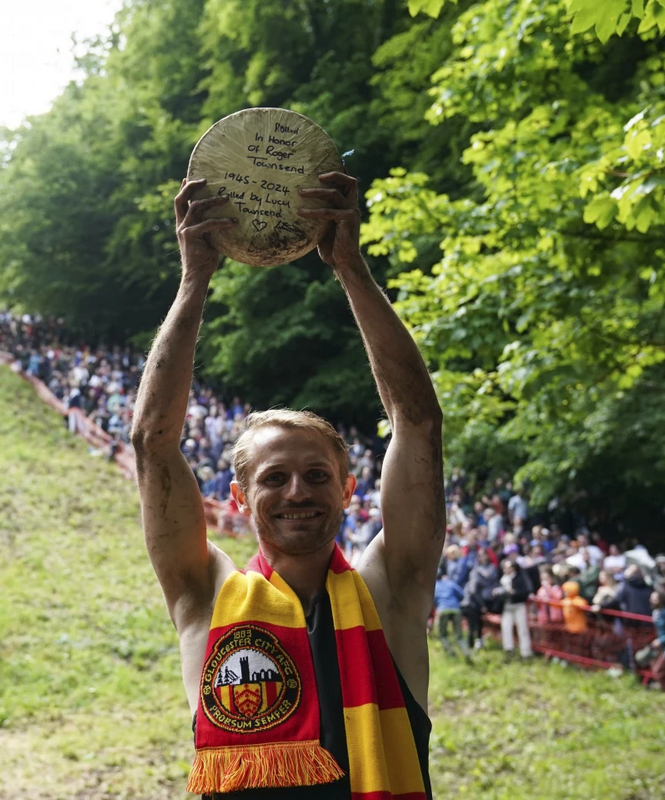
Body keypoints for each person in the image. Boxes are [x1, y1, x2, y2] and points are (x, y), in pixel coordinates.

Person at [133, 174, 442, 797]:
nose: (298, 490)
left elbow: (417, 423)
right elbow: (153, 444)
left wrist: (350, 267)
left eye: (317, 475)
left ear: (349, 489)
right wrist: (194, 279)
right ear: (240, 498)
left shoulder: (391, 589)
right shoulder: (206, 595)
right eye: (274, 478)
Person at [494, 559, 533, 659]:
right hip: (507, 606)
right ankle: (508, 648)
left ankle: (525, 652)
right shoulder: (503, 579)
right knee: (506, 627)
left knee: (522, 628)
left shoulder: (520, 578)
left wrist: (513, 592)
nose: (505, 569)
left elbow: (525, 592)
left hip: (519, 605)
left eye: (508, 567)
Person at [433, 570, 470, 661]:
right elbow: (461, 594)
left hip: (443, 610)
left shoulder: (433, 587)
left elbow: (432, 601)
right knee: (459, 635)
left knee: (443, 635)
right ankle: (466, 652)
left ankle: (451, 654)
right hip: (455, 609)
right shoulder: (450, 583)